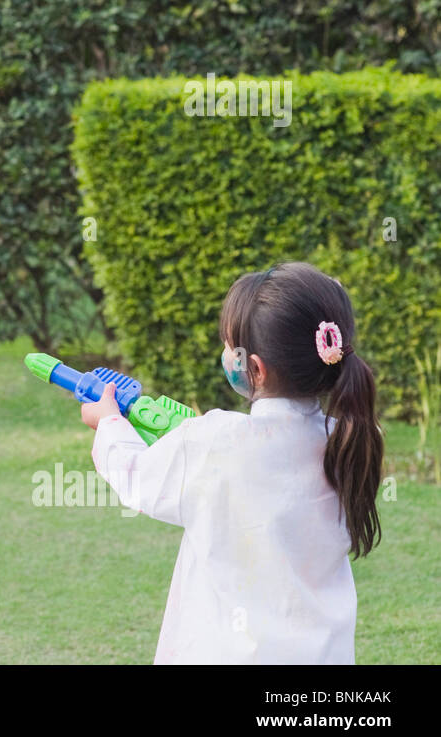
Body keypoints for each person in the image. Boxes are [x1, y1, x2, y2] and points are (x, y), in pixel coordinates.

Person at [82, 262, 384, 663]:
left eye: (229, 346)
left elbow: (139, 478)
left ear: (254, 368)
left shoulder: (215, 442)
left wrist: (109, 424)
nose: (224, 354)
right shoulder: (352, 441)